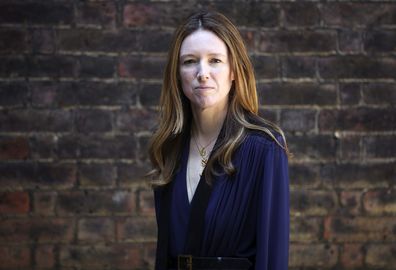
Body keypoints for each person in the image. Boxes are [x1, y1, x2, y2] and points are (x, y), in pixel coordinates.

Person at [148, 10, 290, 270]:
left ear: (234, 71)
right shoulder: (169, 148)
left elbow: (272, 258)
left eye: (215, 60)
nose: (202, 72)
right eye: (190, 61)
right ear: (177, 74)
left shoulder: (265, 148)